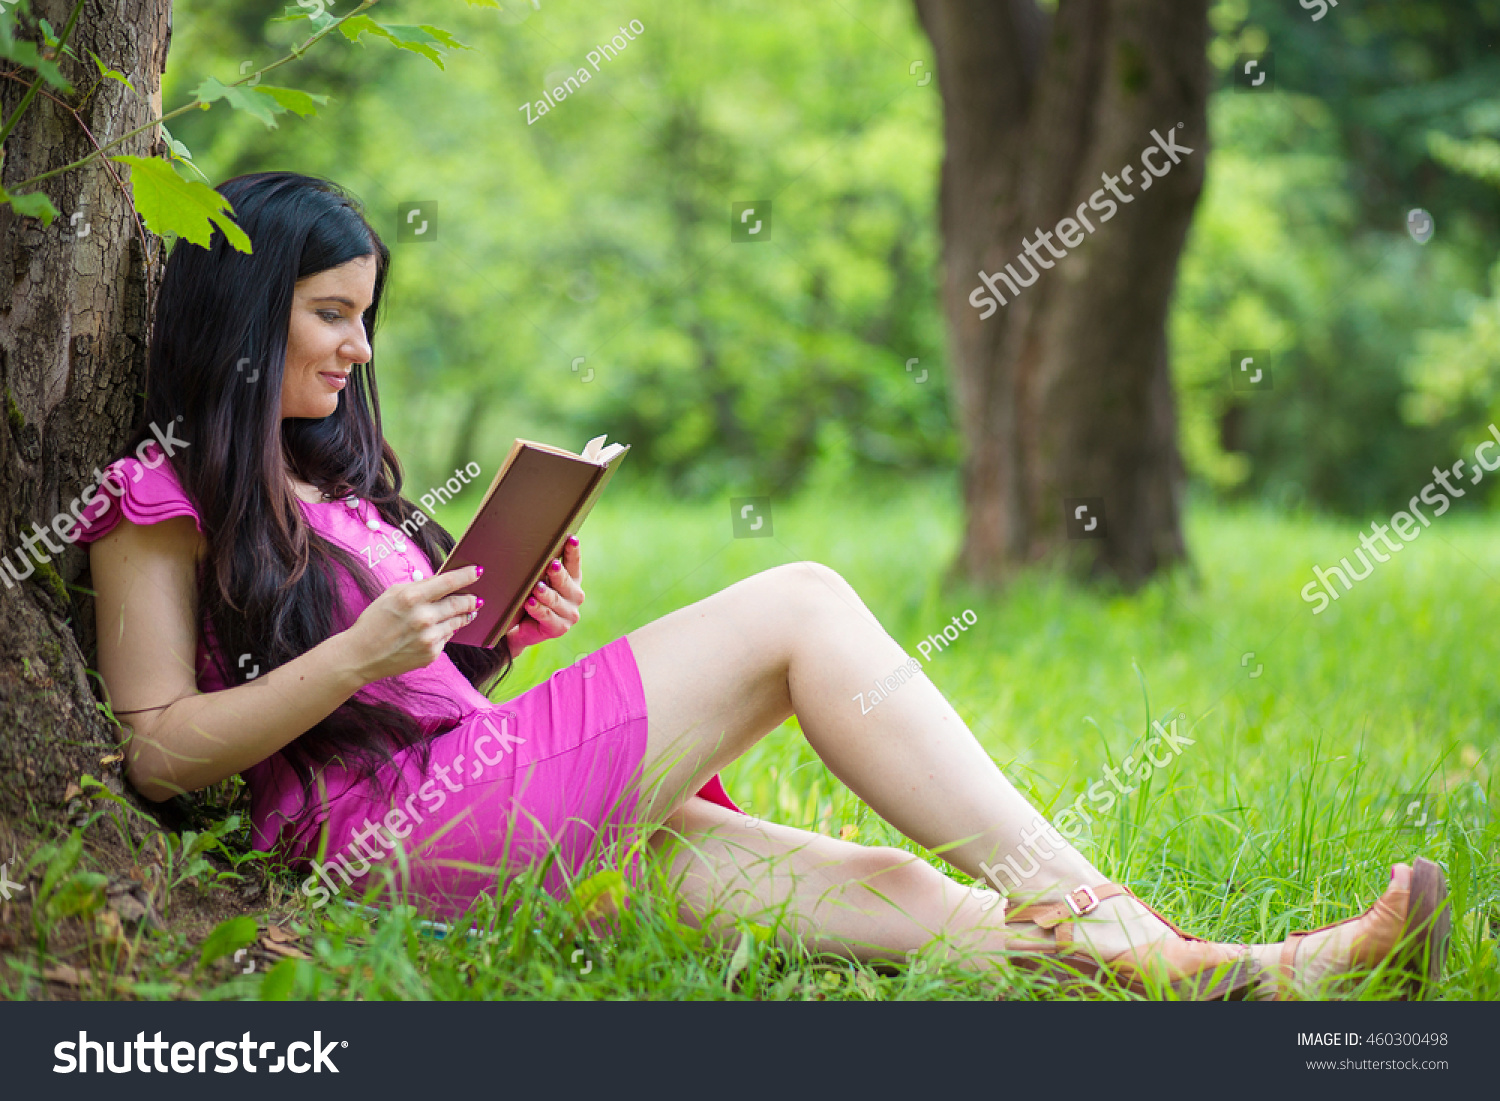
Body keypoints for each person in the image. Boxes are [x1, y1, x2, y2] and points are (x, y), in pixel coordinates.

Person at [79, 172, 1448, 1000]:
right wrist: (358, 656)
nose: (362, 349)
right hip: (392, 850)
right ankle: (1118, 918)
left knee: (884, 888)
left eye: (371, 314)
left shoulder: (331, 482)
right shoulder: (161, 498)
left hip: (469, 795)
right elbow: (156, 754)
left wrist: (484, 637)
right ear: (249, 315)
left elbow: (395, 690)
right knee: (797, 599)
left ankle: (1246, 977)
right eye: (332, 314)